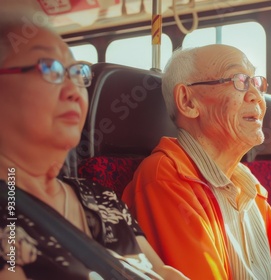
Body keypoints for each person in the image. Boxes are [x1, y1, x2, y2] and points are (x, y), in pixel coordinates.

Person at [0, 7, 187, 280]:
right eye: (49, 68)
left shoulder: (101, 197)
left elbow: (160, 272)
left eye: (77, 72)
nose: (74, 91)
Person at [122, 44, 271, 280]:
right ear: (188, 102)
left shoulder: (248, 183)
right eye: (239, 80)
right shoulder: (165, 177)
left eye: (255, 82)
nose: (257, 96)